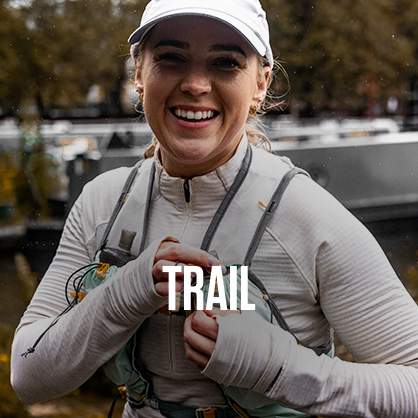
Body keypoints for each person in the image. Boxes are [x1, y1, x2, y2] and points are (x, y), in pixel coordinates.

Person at [10, 0, 418, 417]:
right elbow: (28, 377)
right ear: (139, 74)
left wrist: (282, 371)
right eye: (171, 58)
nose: (196, 84)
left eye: (225, 63)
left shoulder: (308, 217)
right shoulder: (102, 203)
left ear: (260, 84)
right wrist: (127, 293)